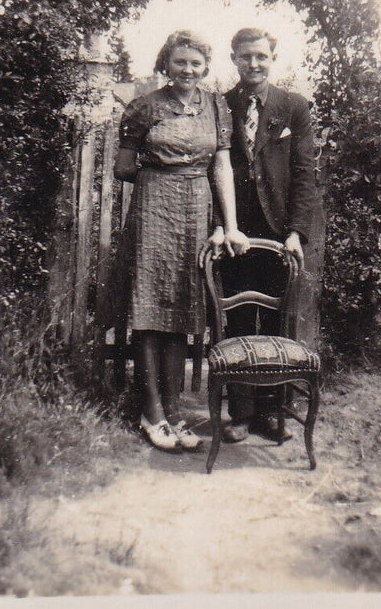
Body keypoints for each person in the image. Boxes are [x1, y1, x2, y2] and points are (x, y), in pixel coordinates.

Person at [114, 30, 249, 453]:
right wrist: (162, 176)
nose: (187, 70)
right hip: (154, 210)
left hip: (196, 212)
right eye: (179, 63)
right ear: (165, 66)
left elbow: (222, 168)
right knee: (149, 308)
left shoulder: (216, 106)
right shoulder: (144, 107)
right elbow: (122, 168)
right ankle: (151, 411)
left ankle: (174, 412)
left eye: (195, 63)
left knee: (181, 309)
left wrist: (229, 224)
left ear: (205, 67)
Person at [210, 27, 316, 443]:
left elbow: (305, 174)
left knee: (275, 320)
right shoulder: (220, 105)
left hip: (278, 231)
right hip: (237, 228)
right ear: (233, 58)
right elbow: (212, 169)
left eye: (261, 57)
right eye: (245, 56)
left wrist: (295, 232)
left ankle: (271, 412)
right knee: (236, 318)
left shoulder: (294, 107)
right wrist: (222, 225)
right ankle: (239, 413)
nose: (253, 64)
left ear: (273, 59)